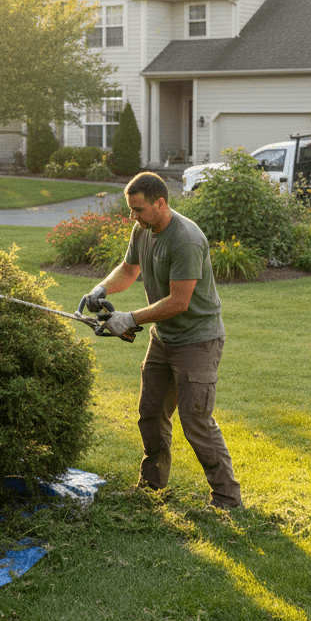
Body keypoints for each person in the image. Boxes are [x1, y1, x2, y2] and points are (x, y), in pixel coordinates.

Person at [82, 172, 243, 510]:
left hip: (198, 339)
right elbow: (128, 271)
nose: (132, 217)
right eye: (130, 209)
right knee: (151, 413)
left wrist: (130, 318)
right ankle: (152, 487)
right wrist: (102, 289)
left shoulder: (185, 239)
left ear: (160, 203)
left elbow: (178, 302)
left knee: (195, 419)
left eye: (138, 209)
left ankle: (228, 500)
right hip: (164, 338)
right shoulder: (142, 229)